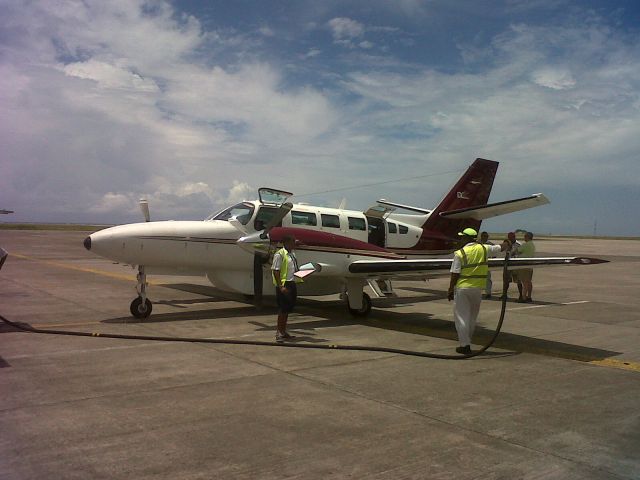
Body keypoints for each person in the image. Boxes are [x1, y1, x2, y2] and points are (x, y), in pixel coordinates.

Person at [448, 227, 510, 354]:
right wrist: (508, 242)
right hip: (477, 289)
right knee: (472, 317)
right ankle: (467, 341)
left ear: (466, 238)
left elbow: (455, 273)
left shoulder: (460, 253)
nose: (460, 239)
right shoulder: (484, 249)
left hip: (463, 289)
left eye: (462, 237)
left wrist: (450, 289)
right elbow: (500, 247)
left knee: (461, 318)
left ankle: (465, 345)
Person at [271, 235, 301, 342]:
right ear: (287, 242)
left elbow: (294, 269)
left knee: (288, 308)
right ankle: (279, 332)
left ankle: (283, 331)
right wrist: (281, 286)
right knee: (282, 309)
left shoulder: (292, 254)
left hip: (292, 283)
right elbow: (276, 270)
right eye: (293, 241)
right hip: (284, 284)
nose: (295, 243)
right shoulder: (279, 254)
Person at [502, 232, 523, 301]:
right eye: (509, 237)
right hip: (508, 264)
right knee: (506, 280)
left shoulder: (519, 245)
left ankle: (521, 295)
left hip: (515, 264)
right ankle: (504, 294)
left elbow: (521, 254)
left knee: (518, 281)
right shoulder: (506, 243)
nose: (510, 238)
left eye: (511, 237)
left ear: (514, 237)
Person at [516, 231, 536, 303]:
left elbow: (517, 251)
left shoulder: (525, 245)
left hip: (524, 265)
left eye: (525, 236)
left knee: (524, 282)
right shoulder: (532, 245)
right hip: (530, 265)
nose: (524, 238)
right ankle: (529, 296)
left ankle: (523, 297)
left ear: (528, 237)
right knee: (529, 282)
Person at [480, 231, 494, 299]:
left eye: (486, 236)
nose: (485, 238)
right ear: (481, 236)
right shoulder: (478, 244)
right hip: (478, 263)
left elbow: (495, 253)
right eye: (484, 236)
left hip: (487, 264)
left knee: (488, 279)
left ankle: (488, 293)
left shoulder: (490, 244)